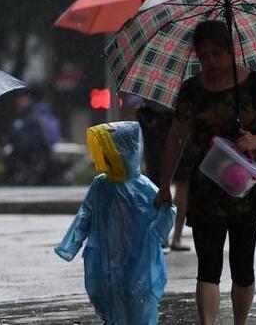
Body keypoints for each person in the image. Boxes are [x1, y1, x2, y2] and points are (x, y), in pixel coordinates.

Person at [154, 20, 256, 325]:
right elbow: (176, 138)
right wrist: (164, 185)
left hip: (246, 186)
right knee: (208, 265)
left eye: (217, 54)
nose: (211, 62)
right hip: (207, 187)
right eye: (204, 56)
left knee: (243, 265)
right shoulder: (192, 90)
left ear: (231, 52)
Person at [55, 121, 176, 325]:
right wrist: (71, 245)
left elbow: (167, 210)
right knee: (103, 292)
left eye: (110, 153)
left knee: (134, 294)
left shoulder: (142, 186)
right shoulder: (101, 184)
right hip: (104, 254)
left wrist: (154, 237)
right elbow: (86, 214)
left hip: (136, 255)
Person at [136, 104, 192, 251]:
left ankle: (162, 237)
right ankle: (175, 239)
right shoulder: (184, 90)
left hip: (155, 125)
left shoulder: (150, 90)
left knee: (158, 187)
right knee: (181, 186)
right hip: (179, 125)